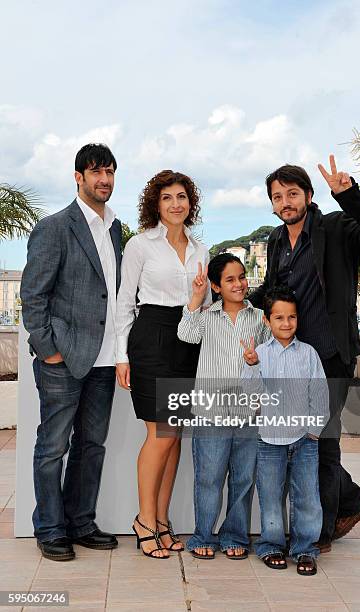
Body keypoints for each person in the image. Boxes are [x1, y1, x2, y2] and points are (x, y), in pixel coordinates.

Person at [249, 155, 360, 550]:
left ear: (309, 195)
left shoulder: (336, 227)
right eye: (277, 197)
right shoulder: (277, 240)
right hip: (293, 358)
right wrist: (232, 298)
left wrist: (348, 195)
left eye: (292, 194)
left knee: (322, 441)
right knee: (300, 437)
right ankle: (350, 502)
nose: (285, 202)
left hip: (330, 356)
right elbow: (270, 291)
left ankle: (322, 532)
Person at [20, 143, 122, 561]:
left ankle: (81, 522)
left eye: (110, 172)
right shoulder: (54, 227)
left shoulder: (115, 228)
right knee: (52, 447)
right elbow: (33, 296)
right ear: (78, 177)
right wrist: (49, 351)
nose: (104, 180)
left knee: (91, 446)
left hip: (104, 360)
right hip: (64, 359)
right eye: (96, 172)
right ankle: (49, 527)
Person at [115, 170, 210, 559]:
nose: (176, 203)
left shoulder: (202, 249)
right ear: (156, 204)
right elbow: (124, 302)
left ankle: (163, 521)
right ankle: (144, 520)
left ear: (191, 203)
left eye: (182, 196)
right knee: (162, 434)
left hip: (189, 339)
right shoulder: (140, 245)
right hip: (151, 336)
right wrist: (121, 355)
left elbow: (203, 305)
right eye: (168, 197)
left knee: (175, 440)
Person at [177, 253, 269, 559]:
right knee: (209, 477)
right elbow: (186, 334)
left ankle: (235, 537)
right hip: (211, 413)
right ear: (216, 286)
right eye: (230, 279)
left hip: (248, 414)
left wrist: (257, 362)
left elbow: (270, 360)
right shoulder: (206, 316)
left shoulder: (259, 319)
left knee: (243, 479)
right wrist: (195, 296)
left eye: (241, 277)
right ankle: (202, 535)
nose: (239, 284)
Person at [242, 286, 329, 575]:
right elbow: (252, 396)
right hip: (269, 439)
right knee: (270, 497)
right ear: (267, 321)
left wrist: (313, 431)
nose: (286, 323)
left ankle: (305, 549)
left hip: (304, 440)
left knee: (306, 497)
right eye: (279, 317)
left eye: (291, 317)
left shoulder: (308, 354)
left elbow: (319, 394)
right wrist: (252, 366)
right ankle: (271, 546)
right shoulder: (259, 355)